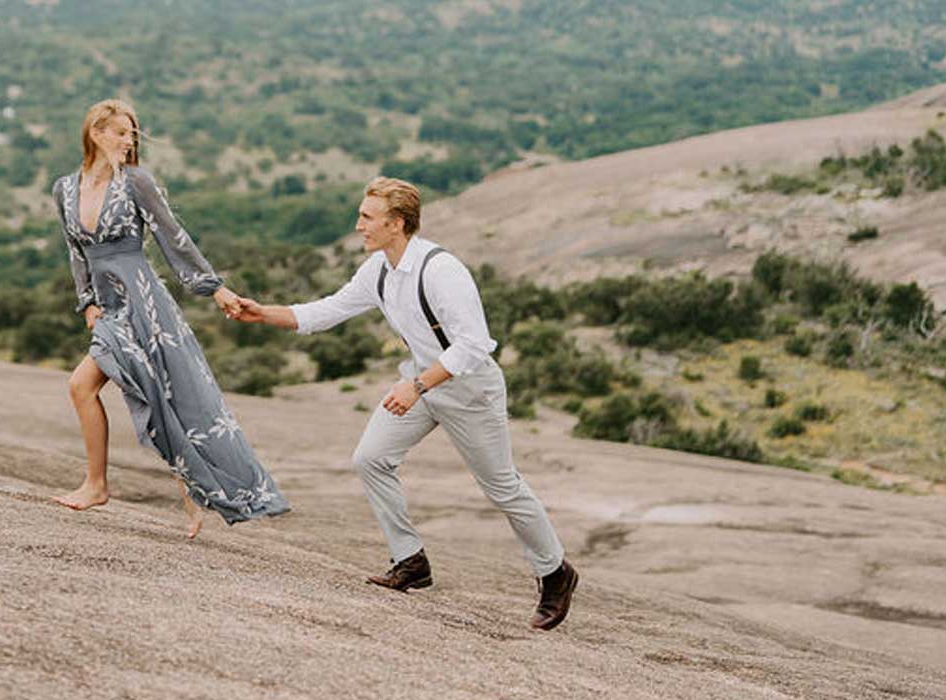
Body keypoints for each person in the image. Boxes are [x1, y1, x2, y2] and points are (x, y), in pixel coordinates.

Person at [230, 177, 577, 630]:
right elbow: (327, 310)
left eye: (367, 218)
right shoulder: (378, 269)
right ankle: (410, 559)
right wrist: (264, 313)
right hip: (422, 383)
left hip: (469, 390)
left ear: (397, 223)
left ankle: (555, 572)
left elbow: (475, 345)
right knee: (370, 458)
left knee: (501, 486)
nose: (358, 226)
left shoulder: (441, 270)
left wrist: (417, 386)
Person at [48, 99, 290, 538]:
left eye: (132, 135)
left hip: (144, 304)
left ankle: (113, 486)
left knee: (164, 400)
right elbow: (75, 252)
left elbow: (173, 238)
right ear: (96, 133)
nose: (128, 142)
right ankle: (99, 484)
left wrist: (214, 288)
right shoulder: (65, 188)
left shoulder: (137, 182)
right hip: (108, 305)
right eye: (121, 133)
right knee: (94, 389)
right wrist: (85, 301)